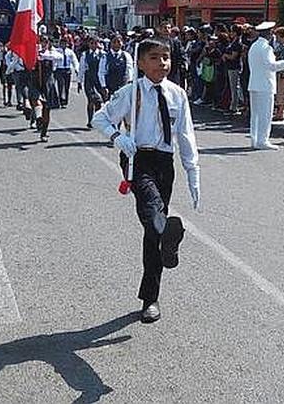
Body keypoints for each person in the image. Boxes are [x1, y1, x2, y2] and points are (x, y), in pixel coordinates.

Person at [91, 37, 200, 323]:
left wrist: (193, 172)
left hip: (165, 162)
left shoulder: (178, 94)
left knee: (154, 232)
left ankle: (151, 297)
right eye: (154, 57)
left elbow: (186, 135)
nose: (161, 63)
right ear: (140, 62)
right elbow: (99, 118)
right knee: (152, 211)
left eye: (166, 57)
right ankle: (166, 242)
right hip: (137, 159)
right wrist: (118, 137)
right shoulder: (130, 92)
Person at [247, 21, 284, 149]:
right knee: (265, 114)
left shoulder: (254, 46)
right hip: (265, 85)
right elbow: (271, 66)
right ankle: (263, 141)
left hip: (254, 84)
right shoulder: (266, 48)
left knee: (255, 114)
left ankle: (254, 139)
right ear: (268, 34)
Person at [78, 36, 106, 129]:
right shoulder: (85, 55)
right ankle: (90, 120)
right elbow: (82, 68)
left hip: (99, 80)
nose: (94, 45)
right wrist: (79, 81)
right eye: (92, 43)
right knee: (91, 99)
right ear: (88, 44)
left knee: (99, 102)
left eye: (95, 43)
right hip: (89, 79)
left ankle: (96, 119)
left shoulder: (103, 54)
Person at [99, 35, 134, 100]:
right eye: (114, 42)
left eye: (118, 42)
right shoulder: (105, 57)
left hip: (123, 86)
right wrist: (104, 86)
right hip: (110, 87)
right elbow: (101, 72)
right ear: (110, 43)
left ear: (122, 43)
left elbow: (130, 70)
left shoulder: (126, 56)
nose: (116, 44)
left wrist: (129, 82)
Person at [224, 25, 245, 114]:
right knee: (232, 87)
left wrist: (225, 56)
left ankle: (234, 106)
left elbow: (233, 56)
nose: (230, 33)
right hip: (230, 67)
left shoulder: (237, 43)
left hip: (234, 67)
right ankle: (233, 105)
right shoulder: (233, 42)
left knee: (234, 87)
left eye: (232, 31)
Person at [55, 37, 80, 107]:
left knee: (67, 86)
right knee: (61, 85)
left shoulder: (70, 52)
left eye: (65, 43)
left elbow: (74, 61)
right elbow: (54, 60)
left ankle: (65, 101)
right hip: (59, 70)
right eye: (62, 43)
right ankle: (61, 100)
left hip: (67, 70)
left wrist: (76, 69)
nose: (63, 45)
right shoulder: (57, 51)